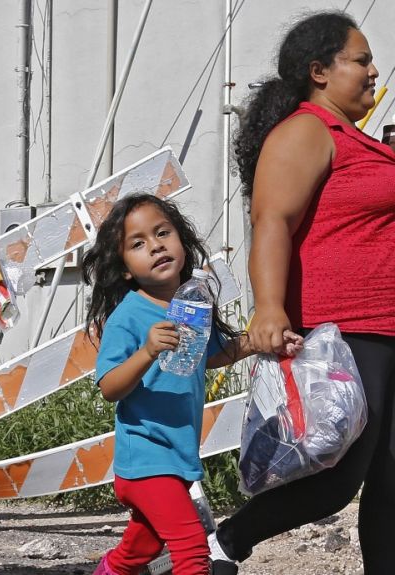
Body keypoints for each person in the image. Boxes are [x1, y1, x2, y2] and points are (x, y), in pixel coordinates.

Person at [207, 12, 395, 574]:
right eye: (360, 60)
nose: (373, 70)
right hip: (347, 328)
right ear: (319, 71)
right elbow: (271, 221)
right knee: (334, 483)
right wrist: (269, 307)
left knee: (391, 480)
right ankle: (226, 542)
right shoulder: (307, 132)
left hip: (388, 328)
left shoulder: (358, 142)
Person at [80, 195, 287, 575]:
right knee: (192, 551)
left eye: (163, 233)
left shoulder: (190, 304)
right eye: (138, 243)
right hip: (146, 459)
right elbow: (109, 386)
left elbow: (211, 356)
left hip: (177, 457)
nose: (156, 245)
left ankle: (110, 570)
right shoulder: (128, 315)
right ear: (125, 268)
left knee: (138, 549)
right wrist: (146, 352)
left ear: (181, 242)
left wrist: (262, 342)